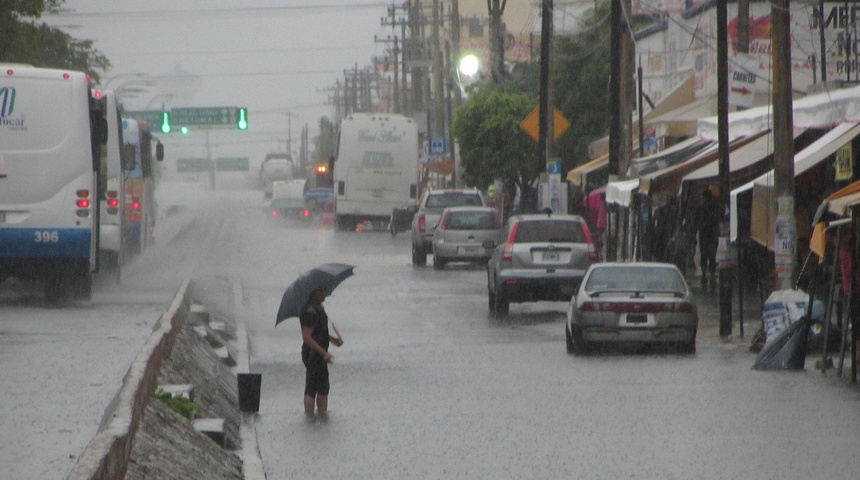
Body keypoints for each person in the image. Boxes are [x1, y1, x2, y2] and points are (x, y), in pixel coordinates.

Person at [300, 285, 343, 422]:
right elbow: (307, 337)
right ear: (315, 293)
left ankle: (322, 415)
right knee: (312, 387)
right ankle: (309, 418)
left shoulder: (319, 309)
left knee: (324, 387)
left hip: (320, 354)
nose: (325, 293)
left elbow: (320, 333)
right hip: (312, 354)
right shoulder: (309, 312)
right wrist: (323, 353)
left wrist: (333, 340)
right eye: (322, 291)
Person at [694, 189, 720, 289]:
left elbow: (716, 220)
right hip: (706, 235)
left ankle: (709, 275)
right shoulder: (702, 208)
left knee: (710, 256)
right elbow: (697, 222)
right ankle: (706, 275)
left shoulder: (712, 208)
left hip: (709, 235)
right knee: (706, 255)